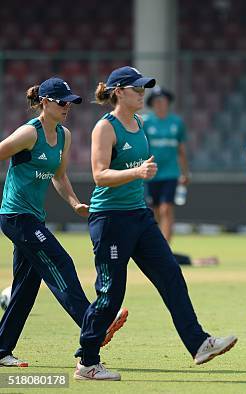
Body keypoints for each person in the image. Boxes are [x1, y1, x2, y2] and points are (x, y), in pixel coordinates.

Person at [74, 66, 237, 381]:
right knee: (111, 293)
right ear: (119, 91)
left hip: (139, 216)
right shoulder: (105, 128)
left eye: (143, 88)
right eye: (137, 88)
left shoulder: (139, 123)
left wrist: (140, 175)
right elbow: (99, 175)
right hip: (110, 220)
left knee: (171, 276)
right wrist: (136, 173)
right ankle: (88, 362)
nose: (143, 93)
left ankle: (199, 343)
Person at [0, 77, 127, 367]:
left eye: (70, 101)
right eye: (61, 102)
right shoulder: (28, 133)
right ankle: (93, 324)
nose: (67, 106)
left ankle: (1, 349)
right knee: (60, 262)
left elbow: (59, 175)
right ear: (44, 102)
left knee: (25, 288)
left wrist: (74, 203)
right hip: (16, 217)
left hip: (33, 217)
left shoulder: (64, 135)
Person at [143, 87, 218, 266]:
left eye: (163, 101)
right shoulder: (146, 123)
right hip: (150, 173)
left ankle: (165, 247)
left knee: (166, 209)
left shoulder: (176, 123)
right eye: (157, 101)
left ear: (168, 103)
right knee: (152, 211)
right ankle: (155, 244)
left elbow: (181, 150)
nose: (160, 104)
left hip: (170, 173)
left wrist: (185, 172)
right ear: (152, 104)